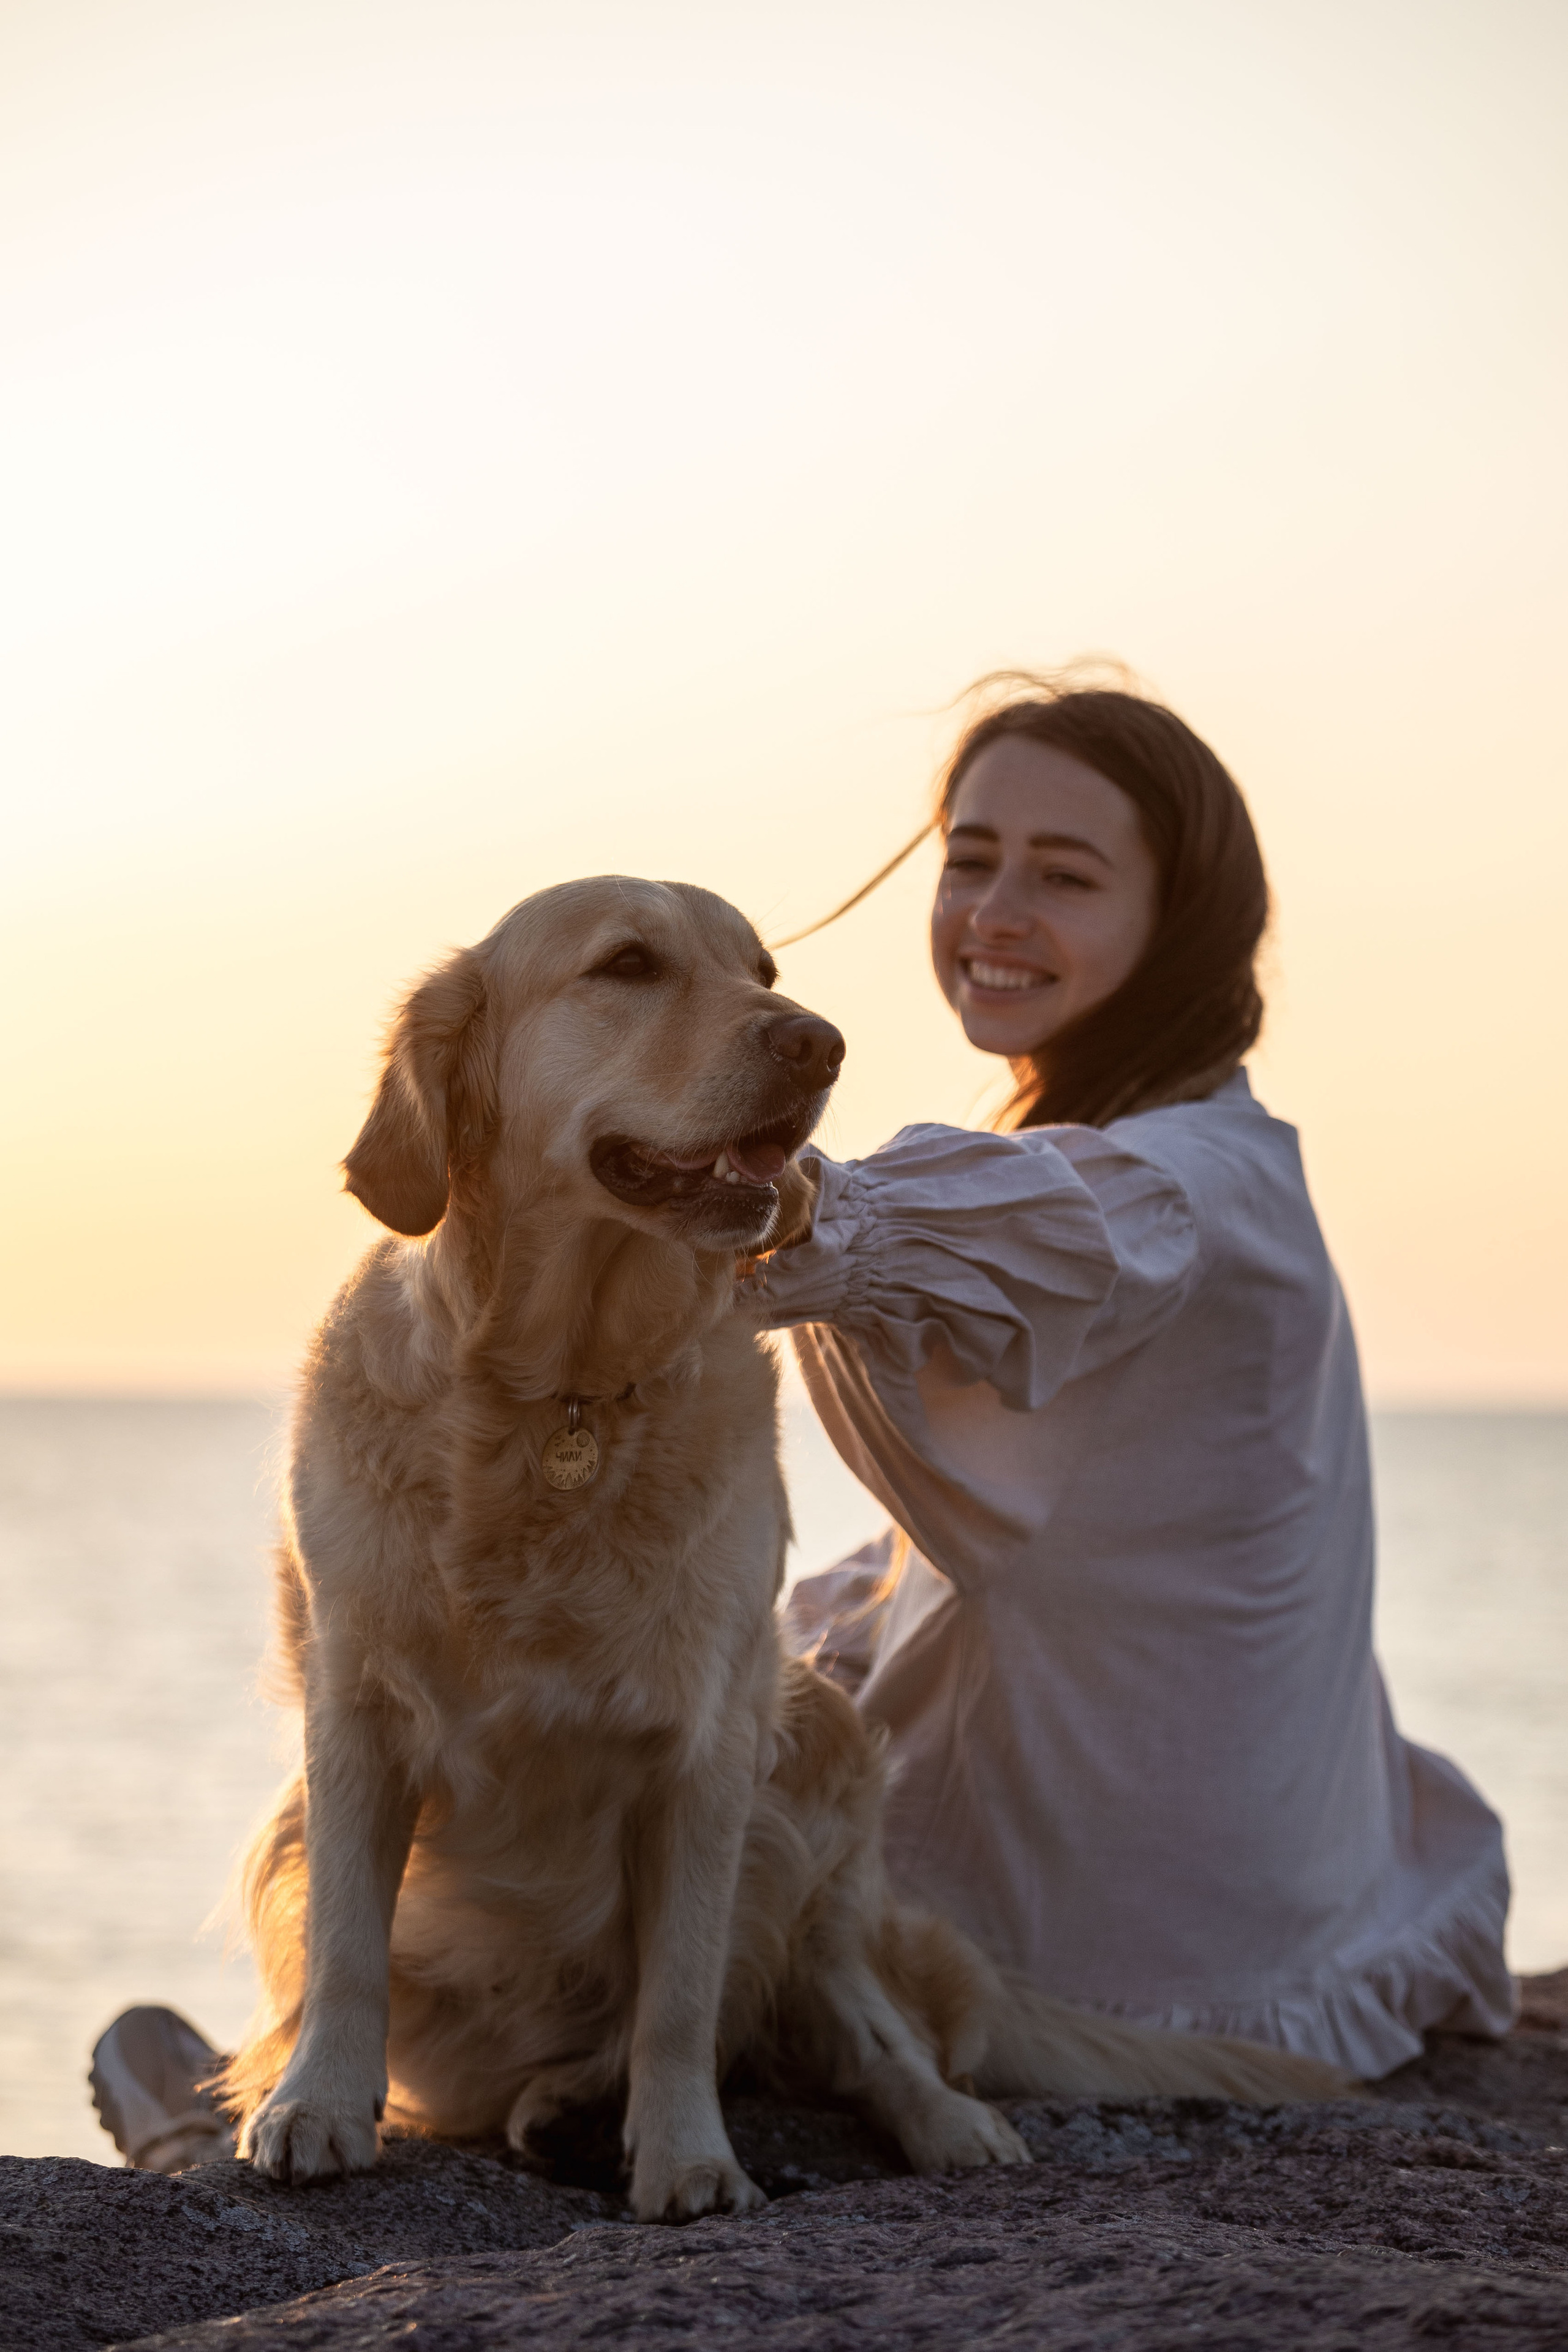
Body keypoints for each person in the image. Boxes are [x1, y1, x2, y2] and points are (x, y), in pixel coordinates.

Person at [762, 674, 1513, 2078]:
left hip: (1122, 1937)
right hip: (1238, 1866)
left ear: (1176, 923)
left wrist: (706, 1176)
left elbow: (852, 1233)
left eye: (1064, 876)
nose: (992, 912)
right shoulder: (1197, 1154)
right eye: (969, 859)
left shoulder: (1172, 1188)